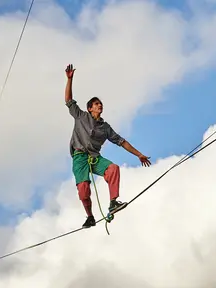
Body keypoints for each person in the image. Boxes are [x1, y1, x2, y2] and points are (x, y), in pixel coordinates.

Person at [64, 64, 152, 228]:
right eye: (96, 104)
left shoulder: (105, 128)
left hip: (95, 158)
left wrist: (139, 154)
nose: (99, 106)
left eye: (100, 104)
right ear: (90, 108)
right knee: (83, 190)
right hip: (79, 157)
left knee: (113, 169)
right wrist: (69, 79)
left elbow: (122, 142)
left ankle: (113, 203)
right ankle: (90, 216)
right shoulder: (81, 116)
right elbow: (68, 101)